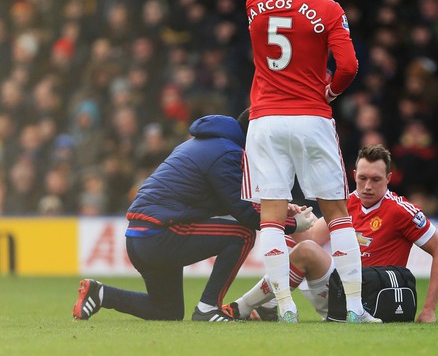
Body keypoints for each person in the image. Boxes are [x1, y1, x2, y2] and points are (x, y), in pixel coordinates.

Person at [241, 0, 377, 323]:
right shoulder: (328, 8)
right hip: (311, 117)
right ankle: (353, 308)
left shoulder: (254, 3)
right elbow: (348, 66)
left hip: (264, 119)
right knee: (337, 215)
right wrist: (330, 92)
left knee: (270, 216)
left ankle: (284, 306)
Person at [72, 112, 314, 322]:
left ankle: (100, 293)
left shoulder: (209, 144)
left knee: (166, 310)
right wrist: (291, 224)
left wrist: (282, 209)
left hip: (140, 235)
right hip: (159, 234)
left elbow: (233, 200)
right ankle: (208, 307)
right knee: (241, 234)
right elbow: (243, 211)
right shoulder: (228, 153)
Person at [226, 144, 438, 323]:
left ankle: (247, 306)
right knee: (289, 237)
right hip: (340, 290)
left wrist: (429, 309)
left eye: (376, 179)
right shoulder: (349, 202)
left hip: (376, 295)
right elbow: (313, 238)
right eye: (362, 178)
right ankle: (266, 305)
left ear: (389, 178)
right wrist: (293, 221)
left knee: (305, 251)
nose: (367, 186)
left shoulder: (401, 211)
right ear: (354, 175)